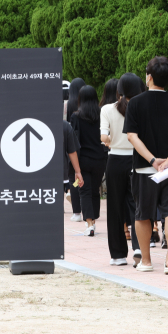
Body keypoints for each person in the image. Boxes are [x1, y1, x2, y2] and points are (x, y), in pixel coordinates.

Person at [125, 56, 168, 274]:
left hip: (145, 169)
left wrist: (153, 160)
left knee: (143, 213)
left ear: (149, 77)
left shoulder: (135, 103)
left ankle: (146, 260)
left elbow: (132, 136)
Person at [101, 73, 144, 267]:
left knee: (115, 207)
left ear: (118, 91)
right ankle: (138, 246)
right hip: (137, 159)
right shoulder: (143, 106)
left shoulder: (107, 109)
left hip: (115, 160)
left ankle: (118, 255)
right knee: (137, 204)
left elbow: (104, 137)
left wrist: (111, 142)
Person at [71, 85, 108, 237]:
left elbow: (74, 141)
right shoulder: (102, 114)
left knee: (84, 190)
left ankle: (90, 223)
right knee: (94, 190)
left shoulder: (76, 116)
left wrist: (75, 167)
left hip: (83, 160)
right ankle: (93, 219)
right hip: (100, 159)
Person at [66, 78, 86, 221]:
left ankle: (76, 211)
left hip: (72, 146)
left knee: (74, 174)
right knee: (84, 176)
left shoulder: (67, 105)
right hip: (88, 147)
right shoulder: (89, 106)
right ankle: (87, 209)